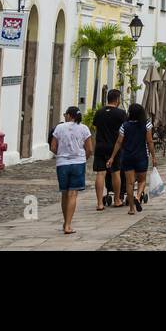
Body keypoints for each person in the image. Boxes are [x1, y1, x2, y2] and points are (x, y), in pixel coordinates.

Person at [50, 106, 93, 235]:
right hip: (78, 163)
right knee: (73, 194)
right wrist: (82, 158)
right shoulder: (84, 128)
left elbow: (53, 147)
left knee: (64, 193)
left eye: (65, 114)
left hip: (62, 164)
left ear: (69, 115)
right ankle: (68, 225)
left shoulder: (59, 127)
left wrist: (62, 154)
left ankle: (65, 222)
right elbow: (89, 149)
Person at [108, 103, 156, 213]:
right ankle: (138, 197)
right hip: (142, 156)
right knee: (142, 181)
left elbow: (119, 142)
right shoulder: (146, 125)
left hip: (127, 157)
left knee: (129, 183)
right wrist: (153, 157)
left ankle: (131, 209)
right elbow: (149, 142)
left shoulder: (124, 125)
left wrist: (112, 157)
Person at [92, 89, 126, 211]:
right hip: (114, 147)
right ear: (117, 100)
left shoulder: (99, 112)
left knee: (100, 173)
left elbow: (96, 128)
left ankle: (99, 203)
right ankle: (117, 200)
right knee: (115, 172)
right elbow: (124, 131)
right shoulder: (121, 114)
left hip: (100, 145)